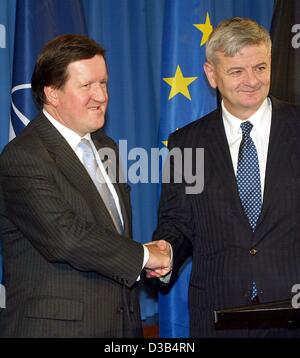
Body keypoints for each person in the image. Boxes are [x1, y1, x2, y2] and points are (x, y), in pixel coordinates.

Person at [0, 34, 170, 338]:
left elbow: (109, 234)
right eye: (86, 86)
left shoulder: (107, 148)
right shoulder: (23, 156)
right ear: (52, 93)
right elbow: (65, 237)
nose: (101, 95)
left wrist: (142, 259)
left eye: (103, 83)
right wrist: (143, 257)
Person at [152, 17, 300, 337]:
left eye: (260, 68)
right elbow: (178, 223)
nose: (251, 80)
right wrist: (166, 250)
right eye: (237, 71)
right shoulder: (186, 143)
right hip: (217, 316)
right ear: (211, 74)